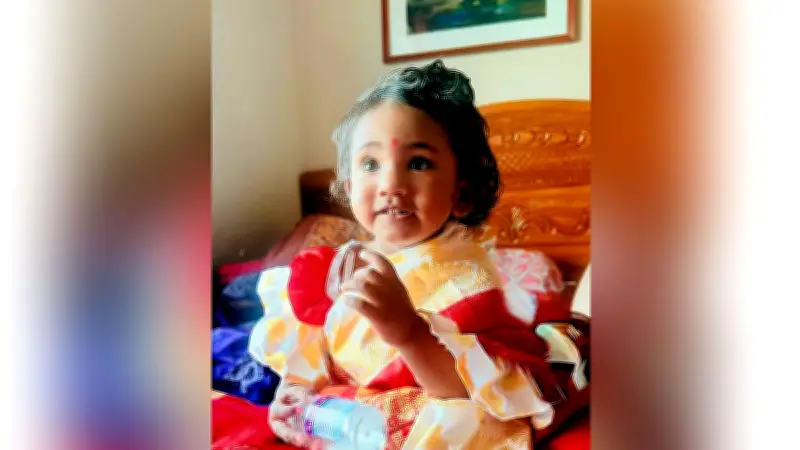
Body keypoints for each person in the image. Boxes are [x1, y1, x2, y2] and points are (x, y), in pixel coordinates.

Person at [212, 60, 581, 449]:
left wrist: (410, 333)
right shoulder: (341, 265)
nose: (390, 184)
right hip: (345, 417)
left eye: (418, 163)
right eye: (371, 164)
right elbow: (312, 350)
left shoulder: (469, 284)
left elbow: (478, 396)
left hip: (423, 412)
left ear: (461, 192)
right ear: (350, 188)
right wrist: (294, 393)